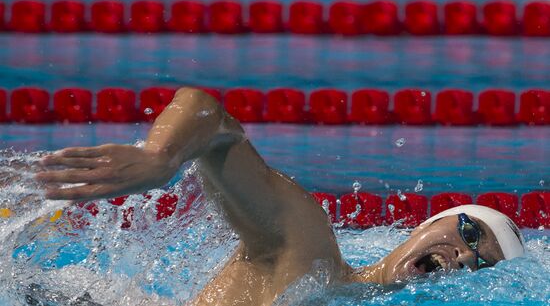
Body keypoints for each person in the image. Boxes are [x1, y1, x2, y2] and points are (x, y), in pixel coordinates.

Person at [36, 87, 526, 306]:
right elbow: (210, 116)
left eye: (480, 264)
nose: (464, 256)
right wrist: (160, 157)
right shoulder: (309, 256)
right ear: (427, 225)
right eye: (469, 232)